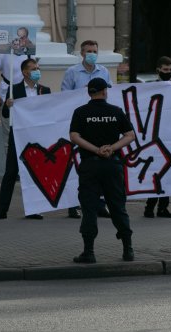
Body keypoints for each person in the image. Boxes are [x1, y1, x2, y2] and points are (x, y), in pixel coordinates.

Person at [69, 78, 136, 263]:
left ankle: (89, 252)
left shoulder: (81, 112)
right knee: (117, 206)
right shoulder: (115, 111)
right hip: (112, 165)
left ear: (89, 92)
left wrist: (95, 149)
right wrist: (112, 148)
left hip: (90, 165)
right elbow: (130, 136)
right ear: (105, 92)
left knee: (89, 208)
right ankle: (128, 249)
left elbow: (74, 136)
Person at [0, 59, 50, 220]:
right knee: (10, 173)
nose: (37, 70)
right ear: (24, 72)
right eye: (33, 68)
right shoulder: (13, 89)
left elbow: (49, 113)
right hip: (18, 136)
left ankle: (34, 209)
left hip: (36, 137)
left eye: (38, 67)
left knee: (34, 174)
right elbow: (5, 114)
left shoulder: (45, 90)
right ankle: (1, 210)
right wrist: (7, 105)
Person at [61, 39, 113, 220]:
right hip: (81, 123)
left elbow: (111, 94)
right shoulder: (72, 72)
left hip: (99, 123)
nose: (92, 54)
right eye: (88, 51)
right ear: (82, 53)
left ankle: (100, 203)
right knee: (78, 165)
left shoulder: (104, 72)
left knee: (100, 164)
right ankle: (74, 205)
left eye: (94, 51)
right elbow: (64, 97)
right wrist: (82, 92)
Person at [143, 56, 171, 219]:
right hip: (154, 135)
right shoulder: (150, 87)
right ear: (158, 70)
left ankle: (163, 207)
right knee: (155, 170)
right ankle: (149, 207)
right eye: (165, 70)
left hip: (169, 134)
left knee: (168, 171)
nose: (169, 72)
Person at [0, 45, 28, 159]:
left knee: (24, 133)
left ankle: (23, 168)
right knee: (9, 134)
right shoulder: (4, 54)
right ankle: (11, 169)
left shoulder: (29, 54)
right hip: (7, 97)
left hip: (24, 97)